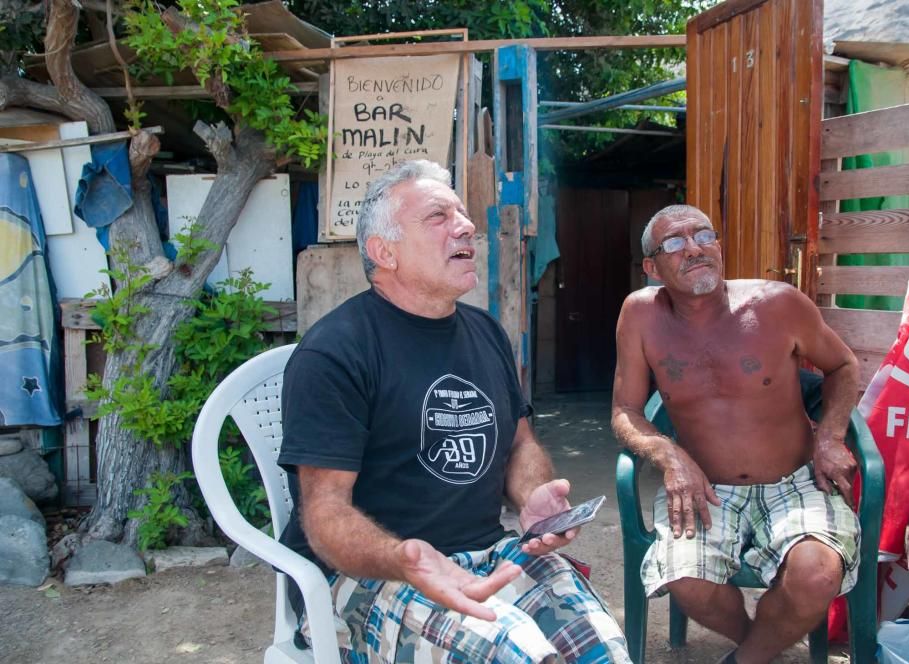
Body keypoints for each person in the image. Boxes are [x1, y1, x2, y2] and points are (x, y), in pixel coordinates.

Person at [278, 160, 630, 663]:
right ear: (384, 252)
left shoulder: (485, 332)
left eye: (463, 214)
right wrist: (404, 558)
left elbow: (520, 442)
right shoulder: (336, 352)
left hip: (489, 550)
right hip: (371, 575)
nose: (465, 226)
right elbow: (324, 514)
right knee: (520, 656)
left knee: (603, 651)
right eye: (438, 217)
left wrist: (532, 498)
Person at [610, 204, 861, 664]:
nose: (693, 248)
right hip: (706, 487)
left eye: (703, 235)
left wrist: (830, 435)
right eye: (673, 243)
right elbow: (626, 410)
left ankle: (747, 658)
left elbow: (843, 366)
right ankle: (764, 643)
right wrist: (670, 456)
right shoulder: (640, 315)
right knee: (685, 580)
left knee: (816, 576)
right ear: (651, 266)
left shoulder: (777, 303)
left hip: (797, 483)